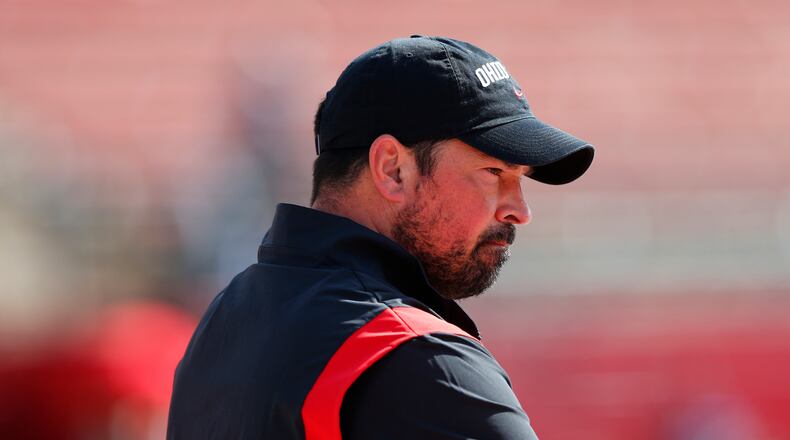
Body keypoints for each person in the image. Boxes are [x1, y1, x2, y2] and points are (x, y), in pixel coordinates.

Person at [167, 35, 594, 440]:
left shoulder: (223, 323)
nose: (519, 211)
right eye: (494, 173)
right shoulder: (422, 359)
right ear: (393, 169)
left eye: (521, 180)